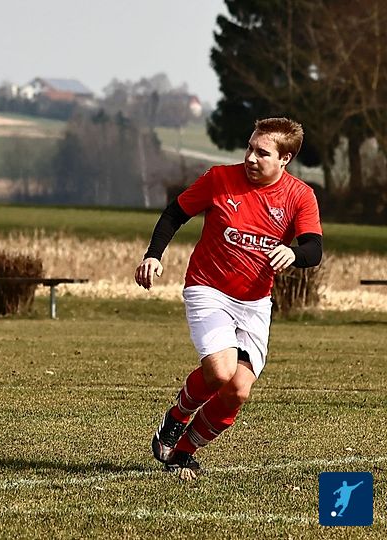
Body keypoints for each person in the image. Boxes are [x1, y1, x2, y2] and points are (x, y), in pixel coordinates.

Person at [135, 117, 323, 480]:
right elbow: (175, 213)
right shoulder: (219, 179)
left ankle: (183, 451)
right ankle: (176, 416)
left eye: (262, 153)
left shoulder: (300, 196)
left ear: (284, 159)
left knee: (237, 391)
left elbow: (313, 248)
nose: (250, 157)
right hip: (208, 288)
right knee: (220, 372)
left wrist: (294, 253)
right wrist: (153, 255)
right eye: (250, 148)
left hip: (254, 302)